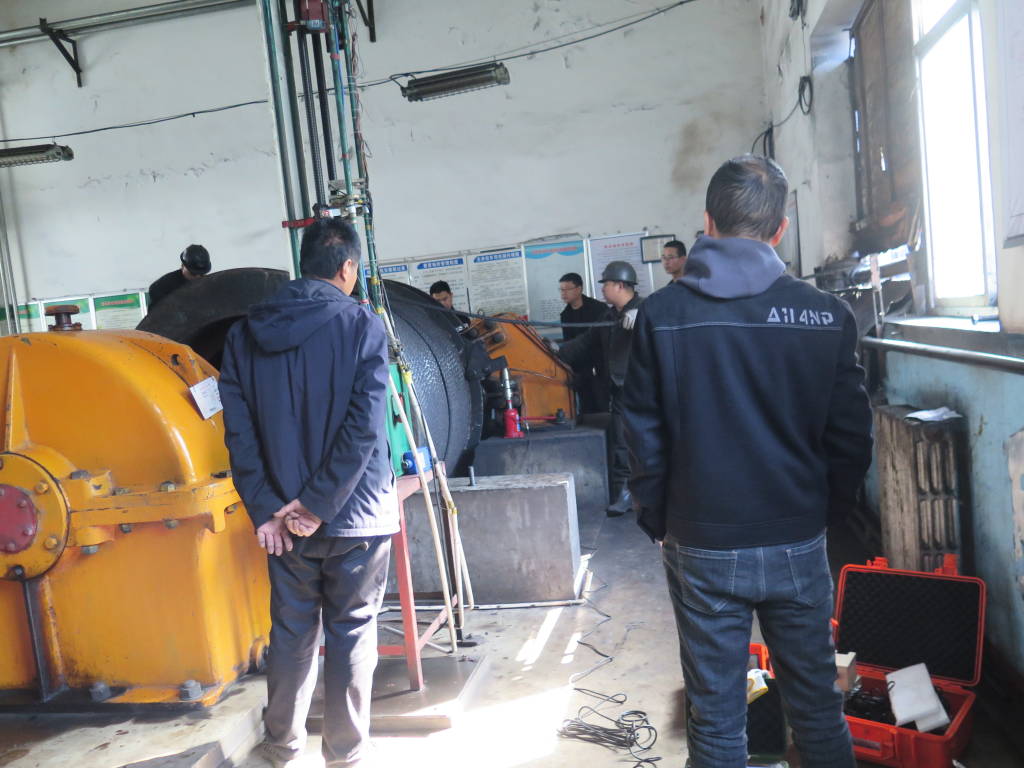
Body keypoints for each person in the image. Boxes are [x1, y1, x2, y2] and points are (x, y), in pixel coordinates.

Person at [622, 155, 872, 768]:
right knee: (818, 711)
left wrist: (658, 519)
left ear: (707, 221)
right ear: (780, 230)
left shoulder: (662, 315)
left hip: (702, 540)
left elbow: (642, 435)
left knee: (716, 718)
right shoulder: (826, 316)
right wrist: (824, 515)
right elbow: (851, 438)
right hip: (797, 536)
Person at [219, 217, 398, 768]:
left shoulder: (243, 334)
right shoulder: (362, 326)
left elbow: (239, 434)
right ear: (347, 267)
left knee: (292, 632)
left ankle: (281, 746)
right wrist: (318, 505)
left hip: (282, 522)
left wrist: (268, 509)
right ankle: (345, 755)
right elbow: (364, 428)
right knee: (352, 632)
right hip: (355, 516)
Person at [555, 261, 642, 517]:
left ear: (621, 285)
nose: (602, 289)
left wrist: (642, 319)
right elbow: (586, 341)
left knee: (652, 442)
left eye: (606, 284)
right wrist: (556, 350)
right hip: (620, 391)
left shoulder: (647, 308)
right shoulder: (608, 316)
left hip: (646, 390)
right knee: (621, 444)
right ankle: (625, 493)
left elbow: (665, 321)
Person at [558, 272, 609, 413]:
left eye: (567, 289)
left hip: (601, 365)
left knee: (603, 405)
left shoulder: (599, 308)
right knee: (586, 407)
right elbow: (569, 343)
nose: (563, 293)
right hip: (580, 368)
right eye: (561, 290)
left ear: (579, 289)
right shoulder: (565, 315)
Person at [148, 244, 211, 309]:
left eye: (202, 274)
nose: (198, 278)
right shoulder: (160, 288)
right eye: (193, 274)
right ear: (182, 266)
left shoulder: (209, 285)